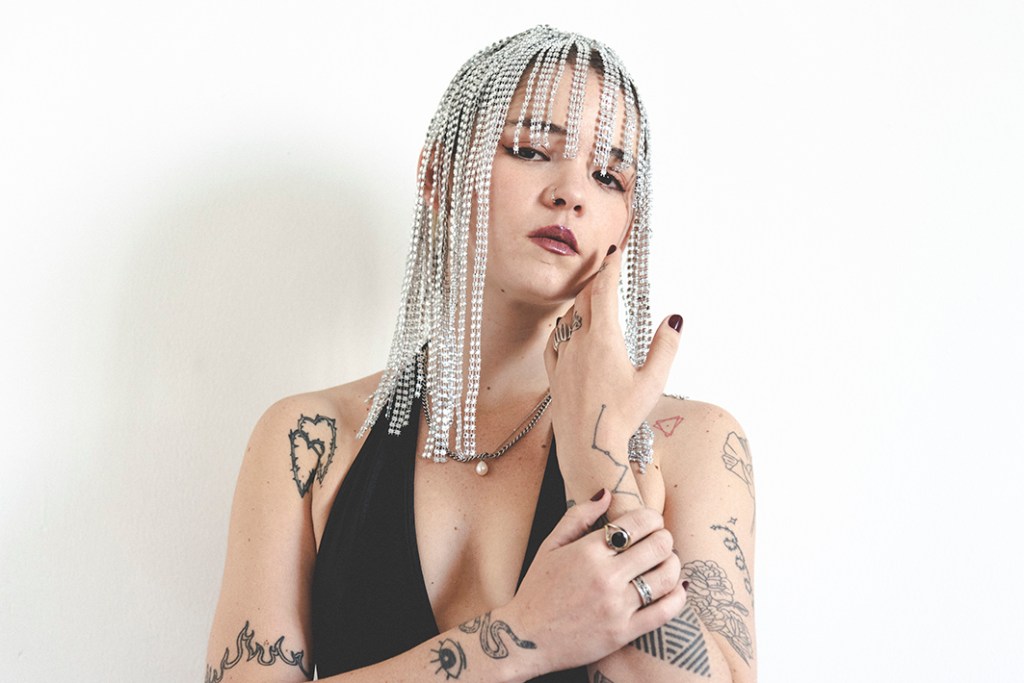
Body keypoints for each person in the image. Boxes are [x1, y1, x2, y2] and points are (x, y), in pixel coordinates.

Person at [205, 25, 756, 683]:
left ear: (628, 224)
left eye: (609, 176)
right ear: (438, 175)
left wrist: (598, 450)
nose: (572, 192)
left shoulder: (689, 443)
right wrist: (523, 636)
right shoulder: (310, 441)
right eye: (530, 149)